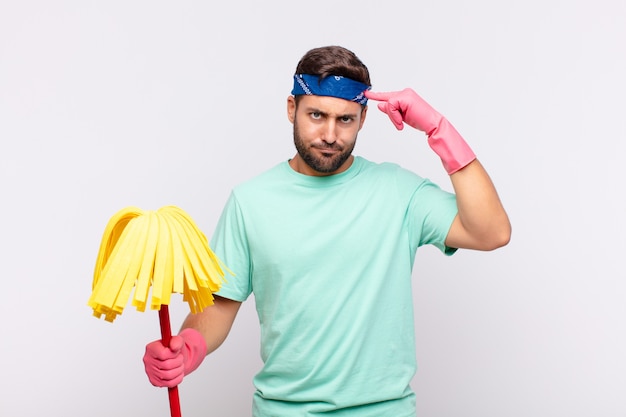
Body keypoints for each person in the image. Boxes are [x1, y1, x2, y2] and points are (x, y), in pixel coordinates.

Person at [143, 45, 511, 416]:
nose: (330, 134)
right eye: (316, 115)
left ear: (363, 118)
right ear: (292, 109)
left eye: (346, 120)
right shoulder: (250, 201)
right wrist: (188, 347)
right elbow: (220, 304)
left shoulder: (398, 191)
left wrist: (438, 128)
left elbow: (491, 231)